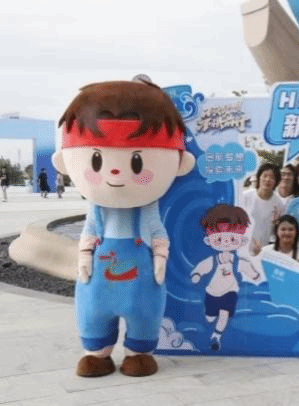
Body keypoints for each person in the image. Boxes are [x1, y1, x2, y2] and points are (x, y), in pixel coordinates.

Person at [52, 78, 196, 378]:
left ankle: (138, 352)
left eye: (136, 162)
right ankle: (97, 352)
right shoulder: (97, 208)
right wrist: (84, 256)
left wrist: (160, 257)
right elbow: (89, 231)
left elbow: (157, 231)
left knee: (145, 312)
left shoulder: (147, 207)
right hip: (100, 276)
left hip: (141, 277)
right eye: (96, 160)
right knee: (92, 311)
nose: (115, 172)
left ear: (181, 162)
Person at [190, 205, 261, 352]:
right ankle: (210, 320)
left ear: (242, 241)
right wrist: (196, 275)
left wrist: (256, 276)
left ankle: (216, 337)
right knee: (209, 317)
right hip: (212, 293)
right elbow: (201, 268)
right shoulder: (212, 261)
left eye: (233, 238)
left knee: (224, 314)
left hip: (230, 292)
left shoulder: (237, 262)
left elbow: (248, 268)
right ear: (208, 241)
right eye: (220, 239)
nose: (227, 242)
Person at [241, 163, 284, 255]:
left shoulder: (279, 204)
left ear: (276, 182)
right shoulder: (245, 197)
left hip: (262, 250)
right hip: (241, 247)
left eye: (272, 177)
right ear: (259, 177)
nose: (267, 179)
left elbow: (278, 232)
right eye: (265, 176)